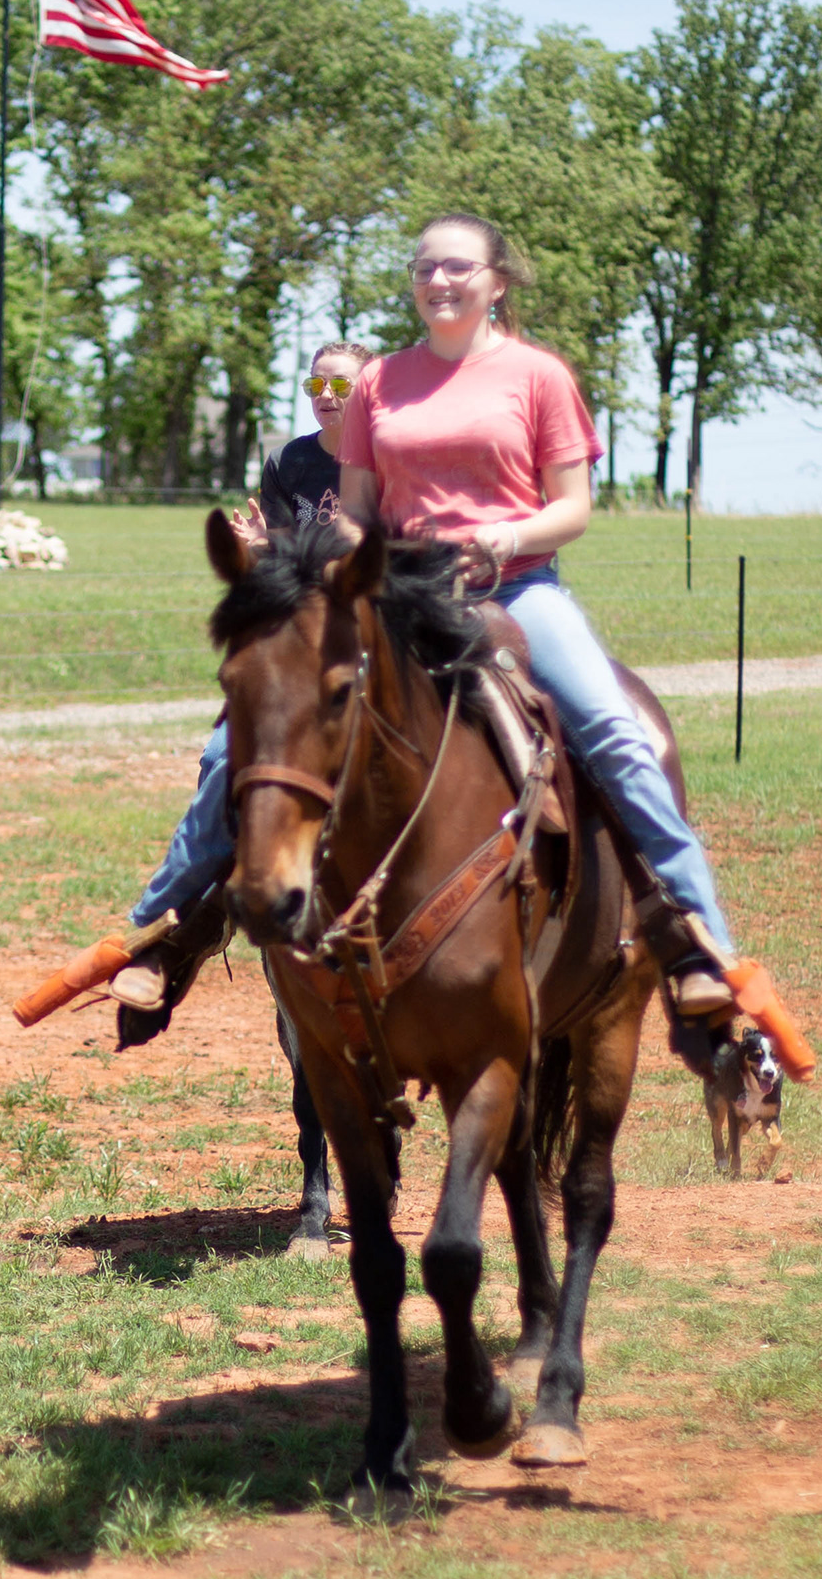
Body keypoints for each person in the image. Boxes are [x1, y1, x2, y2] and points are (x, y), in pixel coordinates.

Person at [331, 213, 743, 1020]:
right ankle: (174, 928)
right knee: (258, 728)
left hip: (518, 591)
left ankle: (696, 939)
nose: (438, 281)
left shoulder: (538, 375)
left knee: (614, 733)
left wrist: (505, 537)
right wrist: (363, 562)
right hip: (404, 596)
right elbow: (356, 511)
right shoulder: (377, 381)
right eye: (424, 267)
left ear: (497, 282)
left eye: (458, 267)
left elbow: (572, 508)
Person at [110, 337, 374, 1032]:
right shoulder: (290, 462)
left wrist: (285, 549)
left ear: (370, 391)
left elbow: (380, 553)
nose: (327, 397)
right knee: (226, 756)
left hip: (371, 634)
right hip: (304, 640)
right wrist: (261, 555)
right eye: (316, 385)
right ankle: (162, 936)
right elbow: (288, 576)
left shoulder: (391, 455)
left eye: (343, 387)